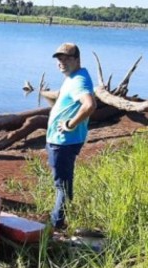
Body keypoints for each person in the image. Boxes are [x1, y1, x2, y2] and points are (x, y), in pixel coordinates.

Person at [40, 43, 97, 230]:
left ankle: (55, 224)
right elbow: (63, 96)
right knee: (65, 180)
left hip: (63, 142)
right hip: (64, 141)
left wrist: (69, 124)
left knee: (61, 185)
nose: (61, 62)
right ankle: (62, 217)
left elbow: (89, 105)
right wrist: (44, 93)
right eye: (59, 59)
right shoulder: (73, 77)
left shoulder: (79, 80)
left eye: (66, 58)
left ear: (77, 59)